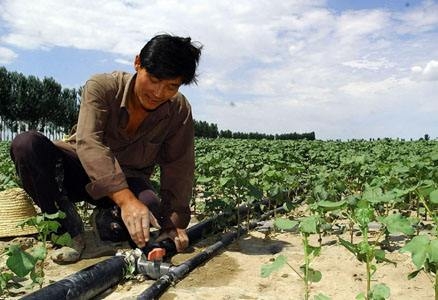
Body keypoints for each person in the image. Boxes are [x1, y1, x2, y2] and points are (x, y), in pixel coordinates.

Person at [10, 34, 202, 263]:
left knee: (148, 211)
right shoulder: (102, 87)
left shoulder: (178, 110)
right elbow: (90, 143)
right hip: (78, 169)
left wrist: (173, 223)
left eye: (171, 86)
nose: (159, 93)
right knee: (27, 145)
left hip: (130, 177)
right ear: (138, 63)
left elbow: (179, 166)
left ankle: (106, 218)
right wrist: (126, 201)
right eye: (153, 79)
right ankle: (67, 230)